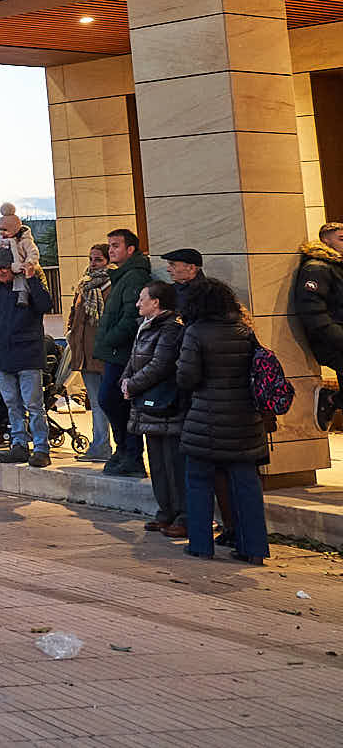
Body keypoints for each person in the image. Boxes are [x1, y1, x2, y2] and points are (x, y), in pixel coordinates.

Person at [176, 278, 270, 565]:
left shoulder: (195, 333)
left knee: (198, 481)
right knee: (247, 485)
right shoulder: (245, 330)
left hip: (206, 419)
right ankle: (254, 548)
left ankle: (201, 545)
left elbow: (187, 378)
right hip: (245, 420)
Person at [0, 255, 54, 466]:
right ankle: (19, 445)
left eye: (5, 267)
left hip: (28, 355)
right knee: (12, 404)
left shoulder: (28, 285)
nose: (1, 272)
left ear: (15, 267)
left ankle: (41, 449)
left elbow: (45, 304)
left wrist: (31, 278)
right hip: (1, 355)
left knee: (34, 405)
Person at [123, 279, 187, 540]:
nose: (138, 304)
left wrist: (132, 384)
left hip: (165, 402)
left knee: (173, 463)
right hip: (146, 401)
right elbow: (134, 360)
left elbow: (161, 364)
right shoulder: (145, 326)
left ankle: (182, 515)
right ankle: (165, 511)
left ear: (156, 302)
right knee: (157, 462)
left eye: (142, 298)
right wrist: (125, 381)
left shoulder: (171, 328)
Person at [96, 228, 151, 477]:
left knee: (113, 400)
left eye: (116, 245)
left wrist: (108, 339)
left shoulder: (135, 276)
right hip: (116, 351)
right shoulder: (122, 276)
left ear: (130, 249)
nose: (111, 250)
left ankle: (131, 454)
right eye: (109, 246)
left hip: (123, 352)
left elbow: (132, 317)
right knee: (112, 400)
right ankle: (125, 451)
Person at [66, 244, 115, 461]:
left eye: (98, 260)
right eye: (91, 259)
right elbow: (74, 315)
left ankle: (113, 447)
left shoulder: (112, 286)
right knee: (95, 403)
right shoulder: (84, 285)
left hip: (105, 354)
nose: (93, 264)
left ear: (108, 261)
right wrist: (71, 335)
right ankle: (100, 446)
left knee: (109, 402)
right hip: (85, 355)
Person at [293, 221, 343, 428]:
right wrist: (337, 336)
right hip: (332, 341)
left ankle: (332, 400)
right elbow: (312, 310)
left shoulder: (336, 267)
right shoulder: (317, 268)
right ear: (325, 240)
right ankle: (331, 400)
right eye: (341, 238)